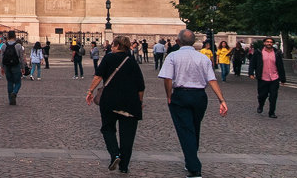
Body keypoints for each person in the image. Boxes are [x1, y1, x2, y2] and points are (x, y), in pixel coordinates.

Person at [158, 30, 227, 178]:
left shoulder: (173, 56)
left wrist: (169, 95)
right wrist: (221, 100)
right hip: (200, 96)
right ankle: (191, 160)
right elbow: (212, 80)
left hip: (181, 95)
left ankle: (194, 168)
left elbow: (167, 79)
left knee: (185, 130)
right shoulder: (203, 58)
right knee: (194, 128)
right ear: (194, 42)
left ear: (178, 41)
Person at [86, 35, 145, 174]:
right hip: (130, 103)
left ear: (118, 46)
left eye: (113, 45)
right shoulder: (131, 61)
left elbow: (98, 76)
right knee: (128, 136)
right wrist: (140, 102)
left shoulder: (109, 58)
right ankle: (124, 167)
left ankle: (115, 154)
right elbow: (141, 86)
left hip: (110, 101)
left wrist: (90, 91)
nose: (111, 47)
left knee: (108, 129)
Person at [250, 36, 286, 118]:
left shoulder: (277, 53)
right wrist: (251, 73)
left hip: (274, 77)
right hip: (263, 77)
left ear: (272, 44)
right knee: (262, 95)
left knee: (273, 96)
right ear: (264, 43)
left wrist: (283, 79)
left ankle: (272, 112)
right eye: (267, 42)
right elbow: (253, 63)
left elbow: (280, 66)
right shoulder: (258, 52)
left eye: (271, 42)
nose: (269, 43)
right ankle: (261, 105)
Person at [1, 31, 26, 105]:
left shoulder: (3, 46)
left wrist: (2, 67)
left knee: (10, 82)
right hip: (16, 65)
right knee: (18, 82)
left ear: (8, 36)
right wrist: (23, 67)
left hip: (7, 66)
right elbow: (21, 58)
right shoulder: (18, 46)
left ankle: (10, 100)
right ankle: (14, 93)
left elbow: (1, 58)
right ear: (15, 36)